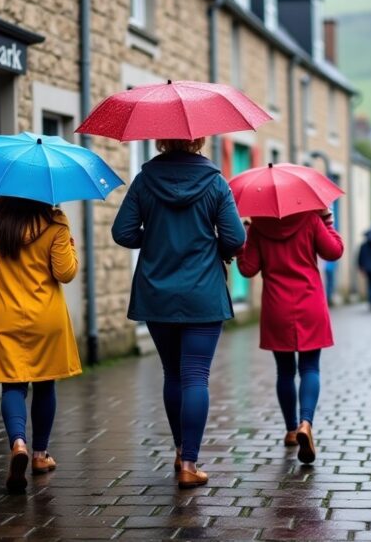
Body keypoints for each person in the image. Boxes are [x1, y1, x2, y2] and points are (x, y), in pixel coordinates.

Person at [111, 137, 246, 488]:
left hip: (157, 293)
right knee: (195, 376)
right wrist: (210, 243)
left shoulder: (144, 181)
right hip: (203, 293)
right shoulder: (216, 182)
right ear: (199, 140)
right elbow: (234, 239)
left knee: (173, 373)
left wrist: (155, 236)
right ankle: (190, 462)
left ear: (160, 140)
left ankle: (179, 450)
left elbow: (122, 232)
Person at [0, 197, 82, 494]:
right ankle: (40, 455)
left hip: (4, 316)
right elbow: (65, 273)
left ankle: (18, 442)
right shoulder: (55, 222)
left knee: (13, 386)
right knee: (45, 384)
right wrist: (70, 248)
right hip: (46, 316)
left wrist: (6, 275)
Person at [237, 209, 343, 465]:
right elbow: (334, 251)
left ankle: (291, 429)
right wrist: (327, 222)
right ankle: (306, 423)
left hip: (277, 307)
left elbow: (247, 269)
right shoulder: (311, 219)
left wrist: (248, 234)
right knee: (310, 369)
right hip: (310, 303)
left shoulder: (259, 225)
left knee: (284, 372)